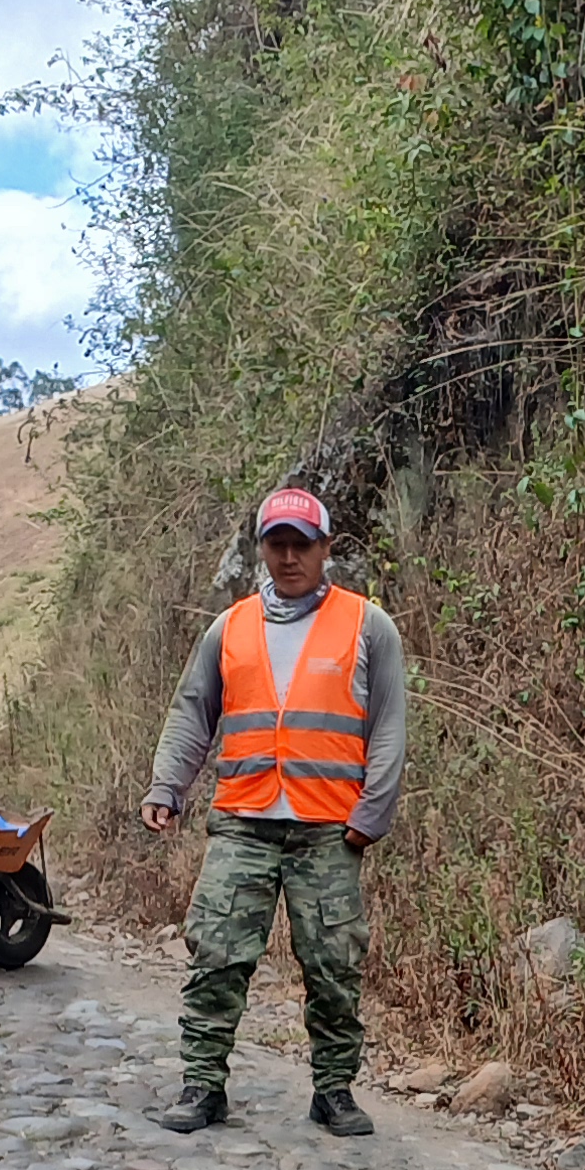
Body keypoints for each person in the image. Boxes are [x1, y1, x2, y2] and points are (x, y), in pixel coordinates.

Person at [142, 485, 409, 1135]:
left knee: (333, 964)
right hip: (243, 821)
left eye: (302, 545)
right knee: (216, 954)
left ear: (325, 548)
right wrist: (166, 787)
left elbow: (389, 727)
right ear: (261, 549)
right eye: (277, 545)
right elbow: (192, 713)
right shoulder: (229, 628)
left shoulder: (368, 626)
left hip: (329, 829)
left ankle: (334, 1091)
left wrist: (370, 817)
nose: (289, 558)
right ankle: (203, 1085)